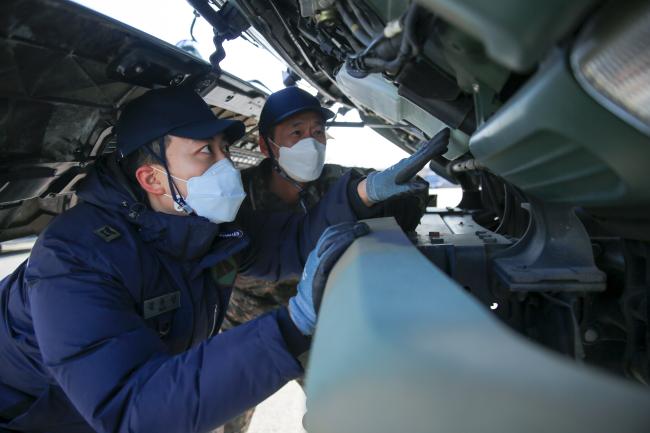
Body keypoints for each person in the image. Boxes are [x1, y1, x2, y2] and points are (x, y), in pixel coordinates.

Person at [0, 86, 446, 433]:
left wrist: (363, 193)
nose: (227, 166)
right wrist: (291, 325)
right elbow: (129, 410)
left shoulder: (208, 228)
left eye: (224, 149)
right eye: (205, 152)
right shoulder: (74, 259)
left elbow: (287, 244)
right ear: (152, 177)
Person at [221, 86, 428, 433]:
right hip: (244, 323)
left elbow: (410, 187)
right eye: (297, 133)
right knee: (224, 413)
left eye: (318, 132)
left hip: (315, 323)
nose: (311, 142)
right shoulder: (236, 195)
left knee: (343, 413)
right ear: (265, 145)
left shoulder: (337, 182)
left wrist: (387, 206)